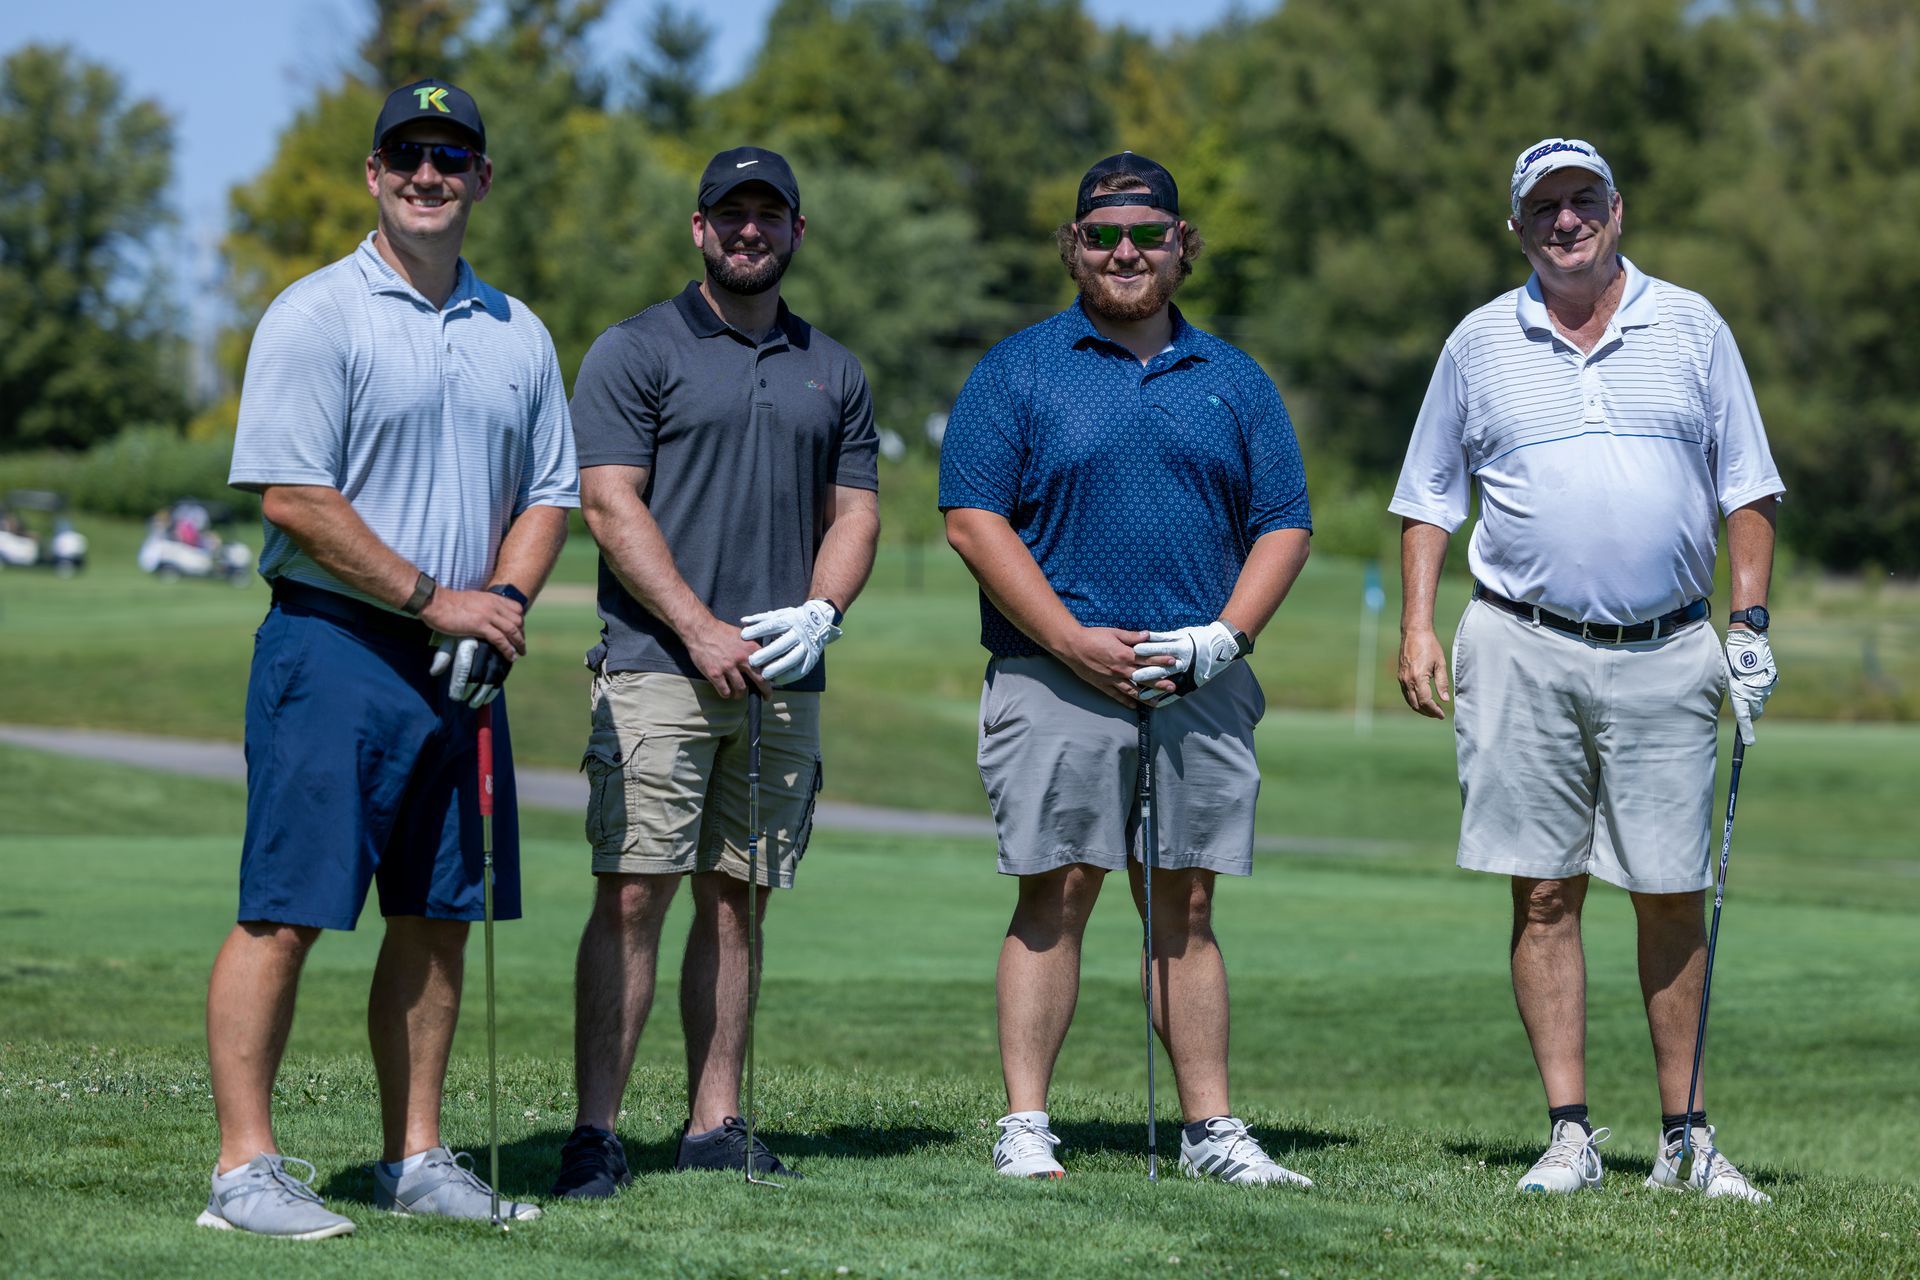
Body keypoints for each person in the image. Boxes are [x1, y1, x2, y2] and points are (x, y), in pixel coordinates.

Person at [205, 78, 577, 1238]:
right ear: (374, 173)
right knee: (286, 905)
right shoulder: (317, 313)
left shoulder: (518, 329)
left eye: (451, 155)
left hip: (462, 661)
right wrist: (436, 597)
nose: (429, 174)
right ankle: (242, 1171)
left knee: (437, 911)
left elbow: (551, 492)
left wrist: (502, 600)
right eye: (407, 155)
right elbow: (293, 497)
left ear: (481, 177)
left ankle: (414, 1154)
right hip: (337, 645)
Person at [1391, 137, 1782, 1202]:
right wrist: (1418, 626)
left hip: (1666, 644)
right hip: (1520, 639)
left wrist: (1746, 624)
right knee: (1546, 890)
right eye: (1545, 207)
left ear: (1618, 208)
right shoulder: (1479, 341)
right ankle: (1570, 1132)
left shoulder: (1692, 325)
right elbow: (1428, 497)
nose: (1566, 220)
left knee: (1670, 889)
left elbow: (1746, 489)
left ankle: (1687, 1137)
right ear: (1519, 226)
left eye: (1583, 200)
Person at [940, 153, 1314, 1183]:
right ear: (1073, 246)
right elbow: (973, 518)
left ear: (1181, 244)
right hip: (1056, 674)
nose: (1125, 252)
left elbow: (1284, 524)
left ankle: (1210, 1131)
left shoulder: (1233, 378)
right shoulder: (1018, 368)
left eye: (1148, 234)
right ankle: (1025, 1123)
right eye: (1103, 235)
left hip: (1198, 678)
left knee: (1185, 901)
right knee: (1056, 889)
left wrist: (1224, 637)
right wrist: (1068, 636)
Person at [550, 146, 881, 1197]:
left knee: (739, 898)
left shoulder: (834, 366)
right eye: (728, 214)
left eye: (767, 215)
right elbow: (609, 503)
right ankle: (597, 1130)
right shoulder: (636, 348)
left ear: (795, 232)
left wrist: (821, 614)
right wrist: (697, 626)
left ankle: (715, 1118)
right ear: (698, 229)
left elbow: (856, 511)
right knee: (635, 893)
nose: (748, 231)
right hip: (657, 666)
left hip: (780, 677)